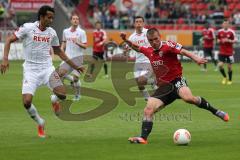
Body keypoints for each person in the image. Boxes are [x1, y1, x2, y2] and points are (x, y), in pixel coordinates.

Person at [120, 28, 229, 144]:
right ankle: (143, 138)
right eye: (151, 40)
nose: (154, 42)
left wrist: (196, 58)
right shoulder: (149, 50)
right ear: (148, 40)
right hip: (163, 87)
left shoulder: (168, 46)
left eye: (156, 39)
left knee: (188, 98)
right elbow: (136, 47)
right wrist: (125, 39)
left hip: (177, 81)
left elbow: (183, 51)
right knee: (148, 110)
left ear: (160, 36)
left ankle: (215, 111)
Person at [0, 5, 83, 138]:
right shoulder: (28, 28)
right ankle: (40, 122)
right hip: (30, 70)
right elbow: (9, 39)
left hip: (47, 69)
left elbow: (58, 52)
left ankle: (54, 101)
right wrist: (5, 59)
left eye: (52, 18)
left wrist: (75, 66)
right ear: (42, 17)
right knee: (26, 102)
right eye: (49, 17)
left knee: (62, 95)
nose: (51, 20)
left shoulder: (52, 32)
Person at [59, 13, 87, 101]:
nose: (75, 20)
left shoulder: (82, 32)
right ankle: (59, 95)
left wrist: (78, 42)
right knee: (60, 74)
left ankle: (77, 95)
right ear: (71, 21)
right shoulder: (65, 31)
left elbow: (85, 46)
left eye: (77, 19)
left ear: (78, 21)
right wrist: (61, 49)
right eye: (74, 19)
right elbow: (64, 42)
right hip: (67, 58)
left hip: (78, 58)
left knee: (75, 79)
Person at [128, 16, 156, 101]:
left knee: (141, 80)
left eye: (140, 21)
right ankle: (148, 99)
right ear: (134, 24)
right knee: (139, 84)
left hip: (148, 60)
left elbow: (155, 43)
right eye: (137, 22)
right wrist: (126, 50)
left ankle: (153, 82)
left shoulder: (148, 33)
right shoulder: (132, 37)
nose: (138, 23)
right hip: (138, 62)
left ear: (143, 23)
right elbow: (128, 48)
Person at [217, 20, 237, 85]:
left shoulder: (231, 32)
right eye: (224, 24)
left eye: (226, 24)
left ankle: (230, 79)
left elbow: (235, 40)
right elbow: (217, 40)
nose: (225, 25)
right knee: (220, 65)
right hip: (222, 51)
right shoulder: (220, 31)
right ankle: (225, 77)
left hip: (229, 52)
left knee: (229, 67)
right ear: (222, 25)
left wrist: (229, 40)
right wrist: (220, 41)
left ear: (228, 25)